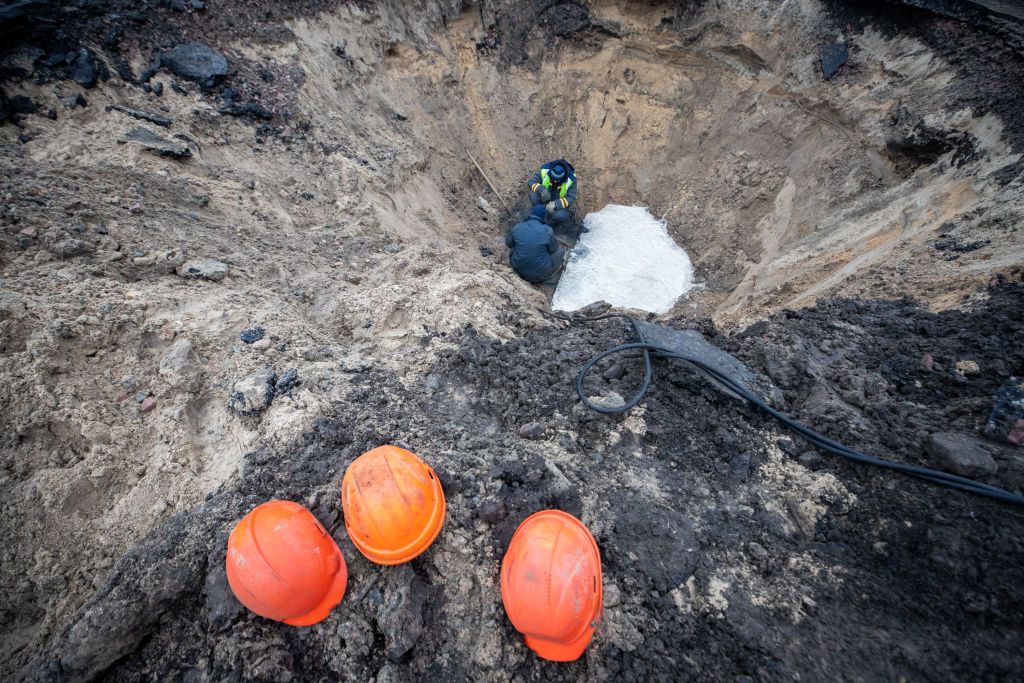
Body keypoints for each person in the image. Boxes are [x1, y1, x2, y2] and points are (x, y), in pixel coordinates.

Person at [505, 204, 565, 284]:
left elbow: (508, 243)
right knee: (560, 250)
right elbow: (553, 248)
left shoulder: (518, 227)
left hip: (519, 271)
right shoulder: (547, 230)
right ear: (544, 217)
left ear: (531, 214)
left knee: (514, 244)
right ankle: (549, 276)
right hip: (541, 274)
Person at [528, 159, 577, 229]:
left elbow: (571, 197)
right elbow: (531, 182)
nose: (554, 181)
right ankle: (538, 214)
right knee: (533, 195)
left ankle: (549, 225)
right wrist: (542, 191)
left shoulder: (571, 179)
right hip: (544, 199)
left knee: (561, 216)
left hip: (557, 207)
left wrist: (556, 204)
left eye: (557, 180)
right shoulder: (544, 170)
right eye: (553, 178)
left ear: (563, 177)